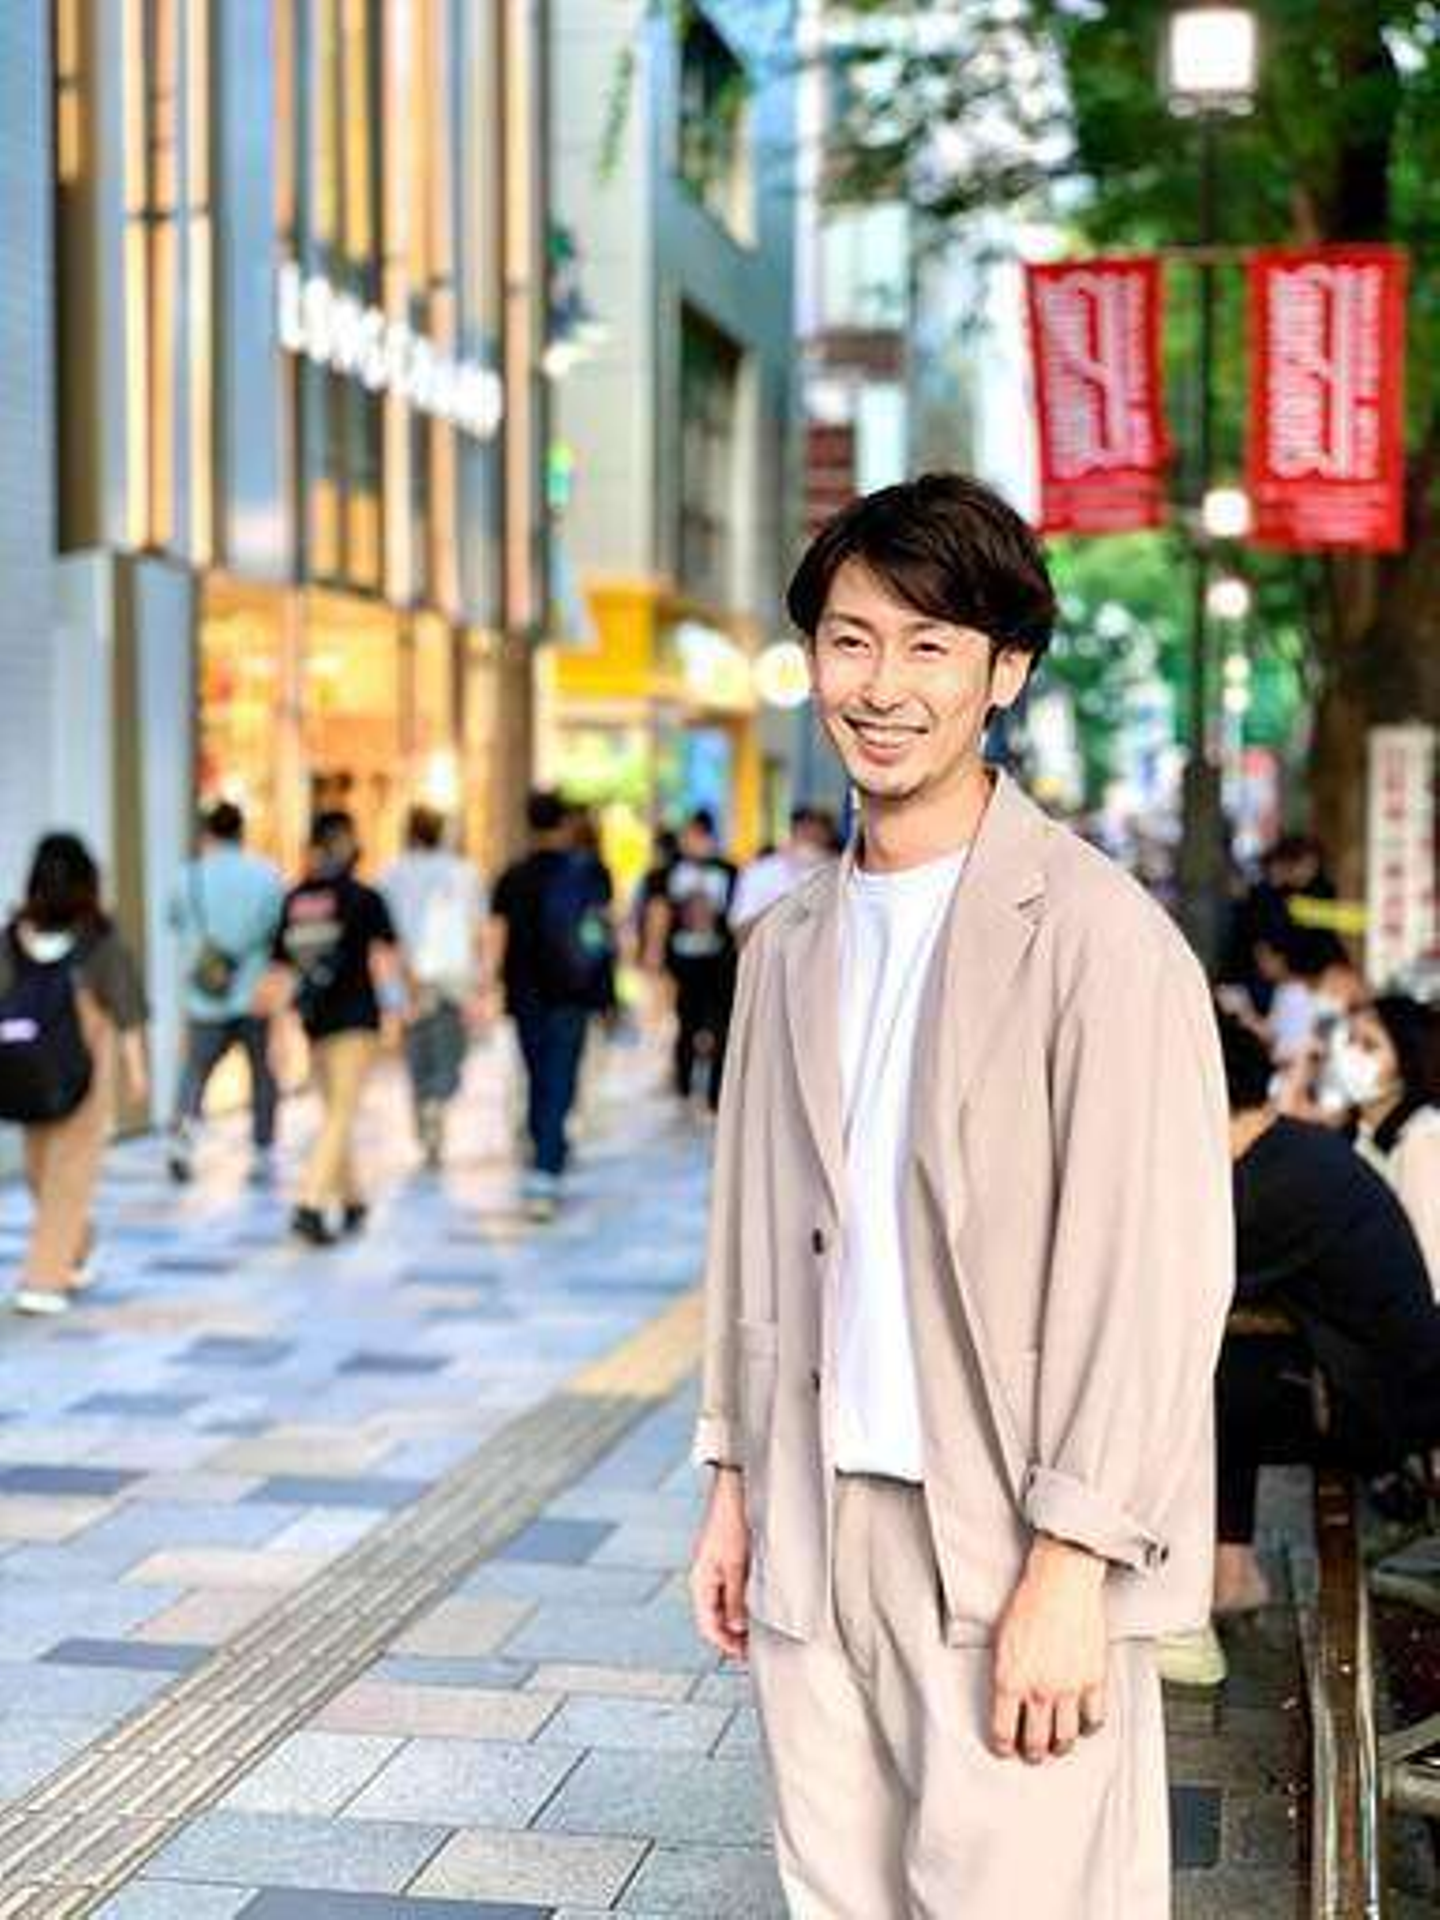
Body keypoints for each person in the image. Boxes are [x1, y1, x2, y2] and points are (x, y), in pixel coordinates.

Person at [688, 474, 1233, 1918]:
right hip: (814, 1531)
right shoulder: (784, 947)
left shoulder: (1102, 941)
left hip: (1007, 1538)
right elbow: (751, 1238)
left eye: (930, 645)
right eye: (850, 641)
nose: (883, 686)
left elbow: (1154, 1278)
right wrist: (732, 1483)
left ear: (1006, 672)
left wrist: (1075, 1561)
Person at [1205, 1010, 1440, 1630]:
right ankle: (1230, 1571)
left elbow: (1184, 1287)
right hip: (1370, 1376)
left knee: (1203, 1387)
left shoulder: (1270, 1187)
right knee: (1234, 1373)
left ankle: (1214, 1576)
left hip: (1385, 1407)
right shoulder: (1287, 1150)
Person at [0, 835, 148, 1314]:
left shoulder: (98, 941)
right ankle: (76, 1245)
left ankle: (43, 1280)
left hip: (85, 1078)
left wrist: (136, 1069)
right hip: (28, 1077)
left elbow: (125, 1008)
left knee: (66, 1176)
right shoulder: (14, 939)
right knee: (41, 1175)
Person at [270, 811, 399, 1246]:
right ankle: (309, 1203)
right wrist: (403, 1005)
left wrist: (278, 1028)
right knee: (341, 1113)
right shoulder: (363, 897)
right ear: (343, 841)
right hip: (356, 1018)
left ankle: (353, 1198)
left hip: (314, 1021)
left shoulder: (295, 899)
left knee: (335, 1114)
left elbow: (281, 967)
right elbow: (387, 955)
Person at [491, 792, 614, 1220]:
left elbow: (497, 937)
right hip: (571, 992)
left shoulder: (512, 876)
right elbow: (600, 933)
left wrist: (490, 985)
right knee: (560, 1076)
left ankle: (545, 1149)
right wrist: (604, 991)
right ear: (564, 825)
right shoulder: (589, 873)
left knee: (537, 1074)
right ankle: (545, 1168)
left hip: (524, 993)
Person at [167, 801, 284, 1186]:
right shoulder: (267, 875)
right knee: (261, 1073)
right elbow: (278, 931)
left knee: (195, 1070)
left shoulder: (188, 876)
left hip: (205, 993)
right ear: (241, 832)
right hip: (253, 992)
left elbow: (173, 921)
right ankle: (262, 1152)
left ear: (207, 833)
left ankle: (182, 1141)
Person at [380, 806, 487, 1171]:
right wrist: (482, 978)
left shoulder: (391, 873)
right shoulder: (463, 872)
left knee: (416, 1051)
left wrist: (391, 983)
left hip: (407, 976)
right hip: (451, 977)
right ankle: (437, 1103)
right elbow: (478, 928)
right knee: (450, 1049)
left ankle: (424, 1111)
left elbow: (384, 935)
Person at [1335, 995, 1440, 1297]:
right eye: (1350, 1040)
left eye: (1369, 1046)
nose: (1351, 1055)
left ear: (1406, 1062)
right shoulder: (1359, 1131)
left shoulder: (1422, 1138)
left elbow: (1428, 1265)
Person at [657, 810, 737, 1110]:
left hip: (719, 961)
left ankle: (716, 1092)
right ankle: (684, 1085)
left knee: (719, 1025)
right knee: (687, 1022)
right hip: (683, 960)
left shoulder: (728, 871)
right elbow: (660, 912)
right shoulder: (671, 871)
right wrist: (656, 955)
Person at [729, 805, 839, 942]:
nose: (812, 833)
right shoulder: (760, 872)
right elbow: (741, 936)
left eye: (820, 828)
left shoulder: (844, 874)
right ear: (792, 830)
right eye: (804, 827)